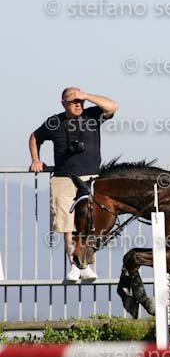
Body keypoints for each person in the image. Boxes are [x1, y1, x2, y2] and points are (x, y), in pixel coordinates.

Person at [29, 87, 118, 282]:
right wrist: (36, 159)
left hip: (91, 178)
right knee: (67, 224)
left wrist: (86, 95)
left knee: (90, 223)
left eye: (80, 101)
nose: (78, 104)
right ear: (63, 103)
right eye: (73, 101)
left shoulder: (92, 115)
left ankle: (85, 264)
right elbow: (35, 137)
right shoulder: (55, 121)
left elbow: (112, 106)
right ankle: (75, 266)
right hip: (64, 178)